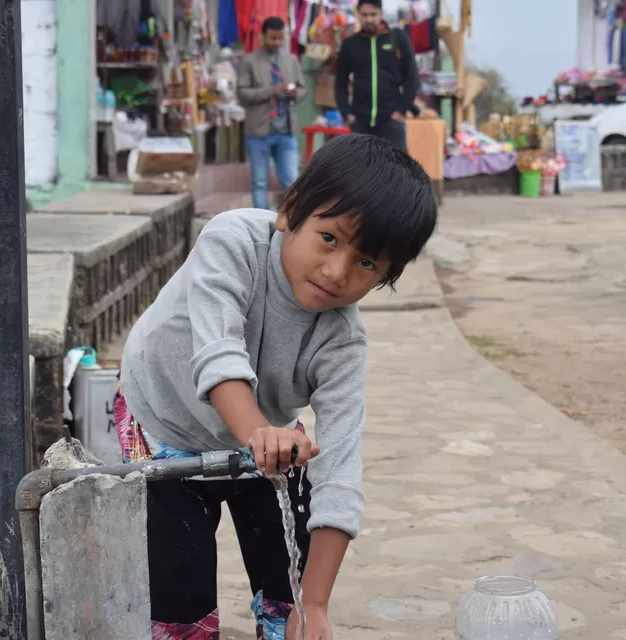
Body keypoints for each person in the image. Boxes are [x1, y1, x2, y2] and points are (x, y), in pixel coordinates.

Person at [113, 134, 437, 639]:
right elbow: (218, 352)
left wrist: (316, 605)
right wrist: (258, 431)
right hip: (163, 420)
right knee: (181, 598)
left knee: (287, 589)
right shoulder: (233, 241)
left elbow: (340, 470)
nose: (337, 272)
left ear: (386, 276)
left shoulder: (342, 344)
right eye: (329, 238)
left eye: (368, 263)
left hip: (267, 435)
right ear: (290, 211)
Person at [237, 17, 305, 210]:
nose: (276, 42)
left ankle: (290, 226)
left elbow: (302, 89)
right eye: (272, 38)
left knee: (292, 181)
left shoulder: (291, 59)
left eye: (280, 38)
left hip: (286, 131)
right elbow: (242, 94)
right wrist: (272, 90)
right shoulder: (249, 61)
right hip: (259, 132)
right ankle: (261, 224)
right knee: (259, 182)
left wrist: (294, 93)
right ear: (262, 36)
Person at [334, 0, 420, 150]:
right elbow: (340, 84)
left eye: (373, 14)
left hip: (391, 120)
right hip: (360, 122)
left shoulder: (397, 38)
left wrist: (400, 110)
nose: (369, 19)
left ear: (381, 14)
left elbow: (412, 79)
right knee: (361, 171)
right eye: (364, 15)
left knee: (395, 171)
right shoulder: (350, 44)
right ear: (358, 15)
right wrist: (347, 114)